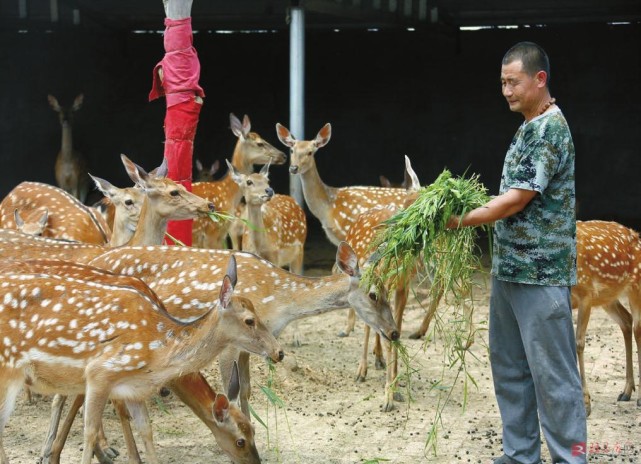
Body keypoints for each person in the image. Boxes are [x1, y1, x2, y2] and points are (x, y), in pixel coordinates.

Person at [447, 42, 587, 463]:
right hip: (509, 270)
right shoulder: (528, 126)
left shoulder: (549, 130)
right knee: (510, 369)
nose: (506, 90)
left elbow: (515, 199)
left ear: (539, 79)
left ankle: (571, 457)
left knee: (554, 377)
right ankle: (520, 454)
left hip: (540, 275)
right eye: (502, 83)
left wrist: (457, 220)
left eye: (513, 82)